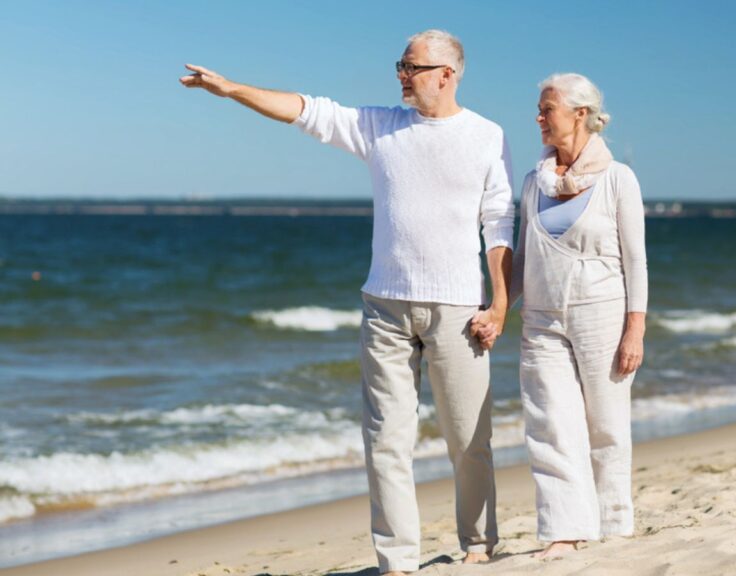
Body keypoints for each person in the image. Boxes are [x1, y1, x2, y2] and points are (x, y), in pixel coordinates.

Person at [180, 29, 514, 576]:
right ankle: (398, 562)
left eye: (411, 67)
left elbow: (498, 224)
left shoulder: (486, 135)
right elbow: (306, 110)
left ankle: (478, 544)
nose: (401, 75)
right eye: (400, 65)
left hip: (458, 309)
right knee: (386, 440)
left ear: (446, 75)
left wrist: (499, 305)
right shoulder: (379, 126)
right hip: (385, 306)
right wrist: (233, 89)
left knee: (468, 438)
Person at [508, 72, 648, 559]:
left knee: (606, 425)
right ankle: (564, 531)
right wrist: (497, 308)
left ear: (580, 114)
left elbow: (636, 261)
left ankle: (613, 526)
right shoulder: (534, 182)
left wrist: (635, 330)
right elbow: (522, 258)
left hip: (602, 315)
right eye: (539, 109)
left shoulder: (618, 179)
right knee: (550, 424)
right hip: (541, 319)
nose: (539, 118)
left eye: (547, 109)